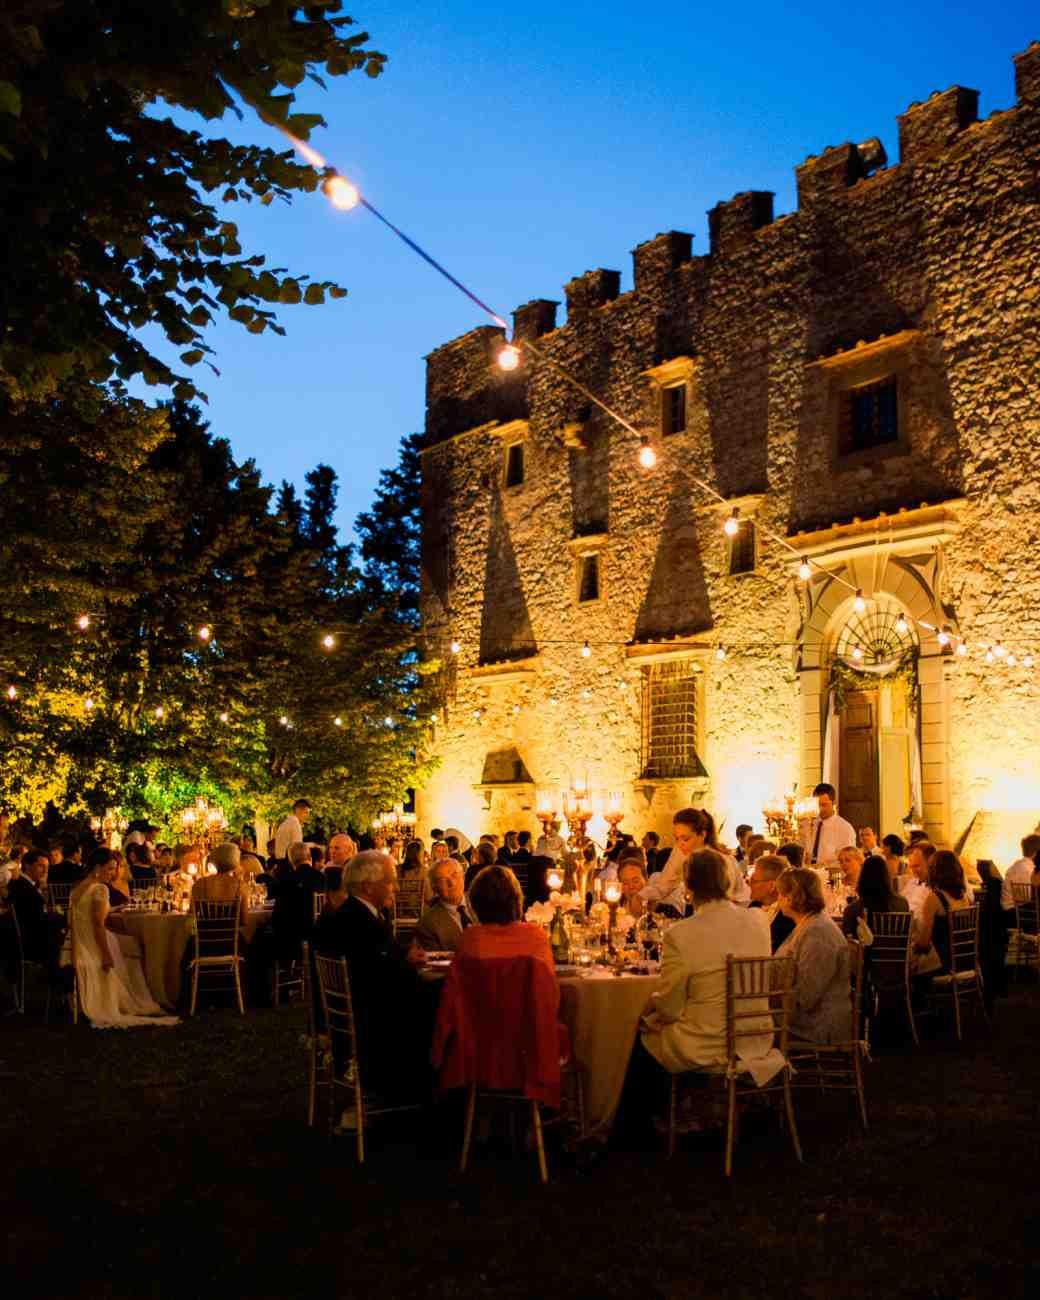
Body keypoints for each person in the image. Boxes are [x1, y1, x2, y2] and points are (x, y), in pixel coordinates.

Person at [313, 850, 430, 1105]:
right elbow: (376, 974)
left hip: (345, 1014)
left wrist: (403, 955)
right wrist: (412, 968)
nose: (396, 888)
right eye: (390, 881)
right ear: (368, 886)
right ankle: (418, 1094)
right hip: (369, 1018)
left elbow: (378, 956)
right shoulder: (359, 921)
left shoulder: (355, 914)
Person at [640, 849, 771, 1073]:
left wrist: (647, 1007)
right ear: (727, 881)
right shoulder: (758, 920)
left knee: (640, 1035)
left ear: (688, 888)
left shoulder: (681, 934)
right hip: (755, 1038)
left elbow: (670, 1009)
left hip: (705, 1045)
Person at [69, 849, 178, 1028]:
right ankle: (151, 993)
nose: (113, 874)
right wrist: (105, 954)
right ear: (97, 868)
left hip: (76, 943)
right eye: (110, 869)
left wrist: (112, 909)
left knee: (127, 946)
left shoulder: (77, 888)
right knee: (133, 948)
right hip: (91, 943)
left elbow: (85, 916)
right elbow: (98, 925)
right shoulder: (100, 889)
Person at [775, 867, 852, 1045]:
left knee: (747, 1028)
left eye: (779, 894)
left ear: (791, 897)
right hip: (806, 1016)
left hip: (818, 1024)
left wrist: (769, 1001)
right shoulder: (807, 923)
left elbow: (806, 996)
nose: (777, 899)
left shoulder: (818, 932)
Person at [643, 808, 749, 909]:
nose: (680, 844)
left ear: (702, 835)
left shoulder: (724, 860)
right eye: (676, 839)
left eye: (685, 839)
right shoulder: (680, 852)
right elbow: (663, 885)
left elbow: (741, 898)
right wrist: (641, 896)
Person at [5, 848, 66, 983]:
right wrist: (61, 918)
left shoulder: (23, 884)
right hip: (29, 943)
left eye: (47, 867)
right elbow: (38, 920)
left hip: (23, 939)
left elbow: (37, 914)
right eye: (41, 866)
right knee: (62, 939)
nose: (45, 871)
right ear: (27, 866)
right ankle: (57, 982)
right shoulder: (24, 887)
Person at [914, 849, 971, 974]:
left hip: (942, 965)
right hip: (965, 961)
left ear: (934, 871)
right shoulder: (965, 897)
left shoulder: (934, 899)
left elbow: (924, 944)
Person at [415, 858, 476, 952]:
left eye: (454, 875)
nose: (452, 883)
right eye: (442, 879)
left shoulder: (481, 902)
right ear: (434, 888)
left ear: (463, 877)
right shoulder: (428, 923)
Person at [840, 853, 908, 938]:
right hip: (898, 947)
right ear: (887, 877)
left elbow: (847, 939)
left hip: (866, 947)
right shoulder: (903, 904)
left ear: (863, 877)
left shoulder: (853, 909)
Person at [191, 842, 248, 928]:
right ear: (235, 861)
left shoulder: (200, 883)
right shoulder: (240, 885)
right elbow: (244, 921)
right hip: (230, 935)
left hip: (204, 935)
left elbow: (191, 915)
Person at [747, 853, 797, 952]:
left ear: (772, 886)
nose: (749, 884)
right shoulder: (753, 906)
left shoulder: (789, 917)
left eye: (754, 881)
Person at [801, 783, 856, 868]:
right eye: (817, 805)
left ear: (833, 803)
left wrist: (823, 866)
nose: (820, 809)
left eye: (824, 805)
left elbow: (848, 861)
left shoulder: (845, 829)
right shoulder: (806, 824)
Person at [1000, 833, 1040, 911]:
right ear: (1036, 853)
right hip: (1017, 911)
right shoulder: (1030, 870)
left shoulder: (1015, 866)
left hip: (1007, 910)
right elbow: (1031, 898)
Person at [901, 840, 935, 917]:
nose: (912, 871)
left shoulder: (936, 889)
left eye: (916, 866)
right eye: (911, 866)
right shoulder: (912, 882)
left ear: (930, 863)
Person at [273, 798, 311, 862]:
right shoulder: (295, 824)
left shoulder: (284, 823)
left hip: (280, 861)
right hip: (288, 862)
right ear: (298, 810)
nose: (308, 816)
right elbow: (298, 849)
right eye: (306, 812)